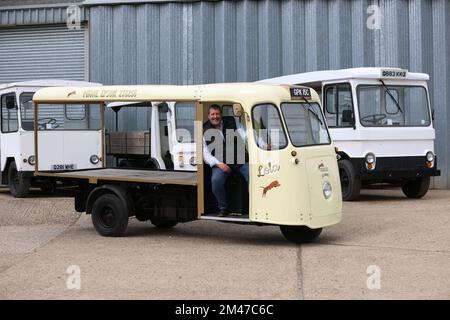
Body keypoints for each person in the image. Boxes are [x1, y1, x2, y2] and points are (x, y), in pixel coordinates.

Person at [203, 104, 249, 217]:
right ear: (208, 116)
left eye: (217, 114)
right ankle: (223, 207)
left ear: (221, 115)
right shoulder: (204, 130)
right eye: (212, 114)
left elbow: (246, 134)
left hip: (239, 159)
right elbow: (205, 154)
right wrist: (219, 164)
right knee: (216, 181)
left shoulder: (232, 122)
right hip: (221, 163)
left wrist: (262, 143)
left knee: (253, 175)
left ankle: (254, 205)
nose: (215, 116)